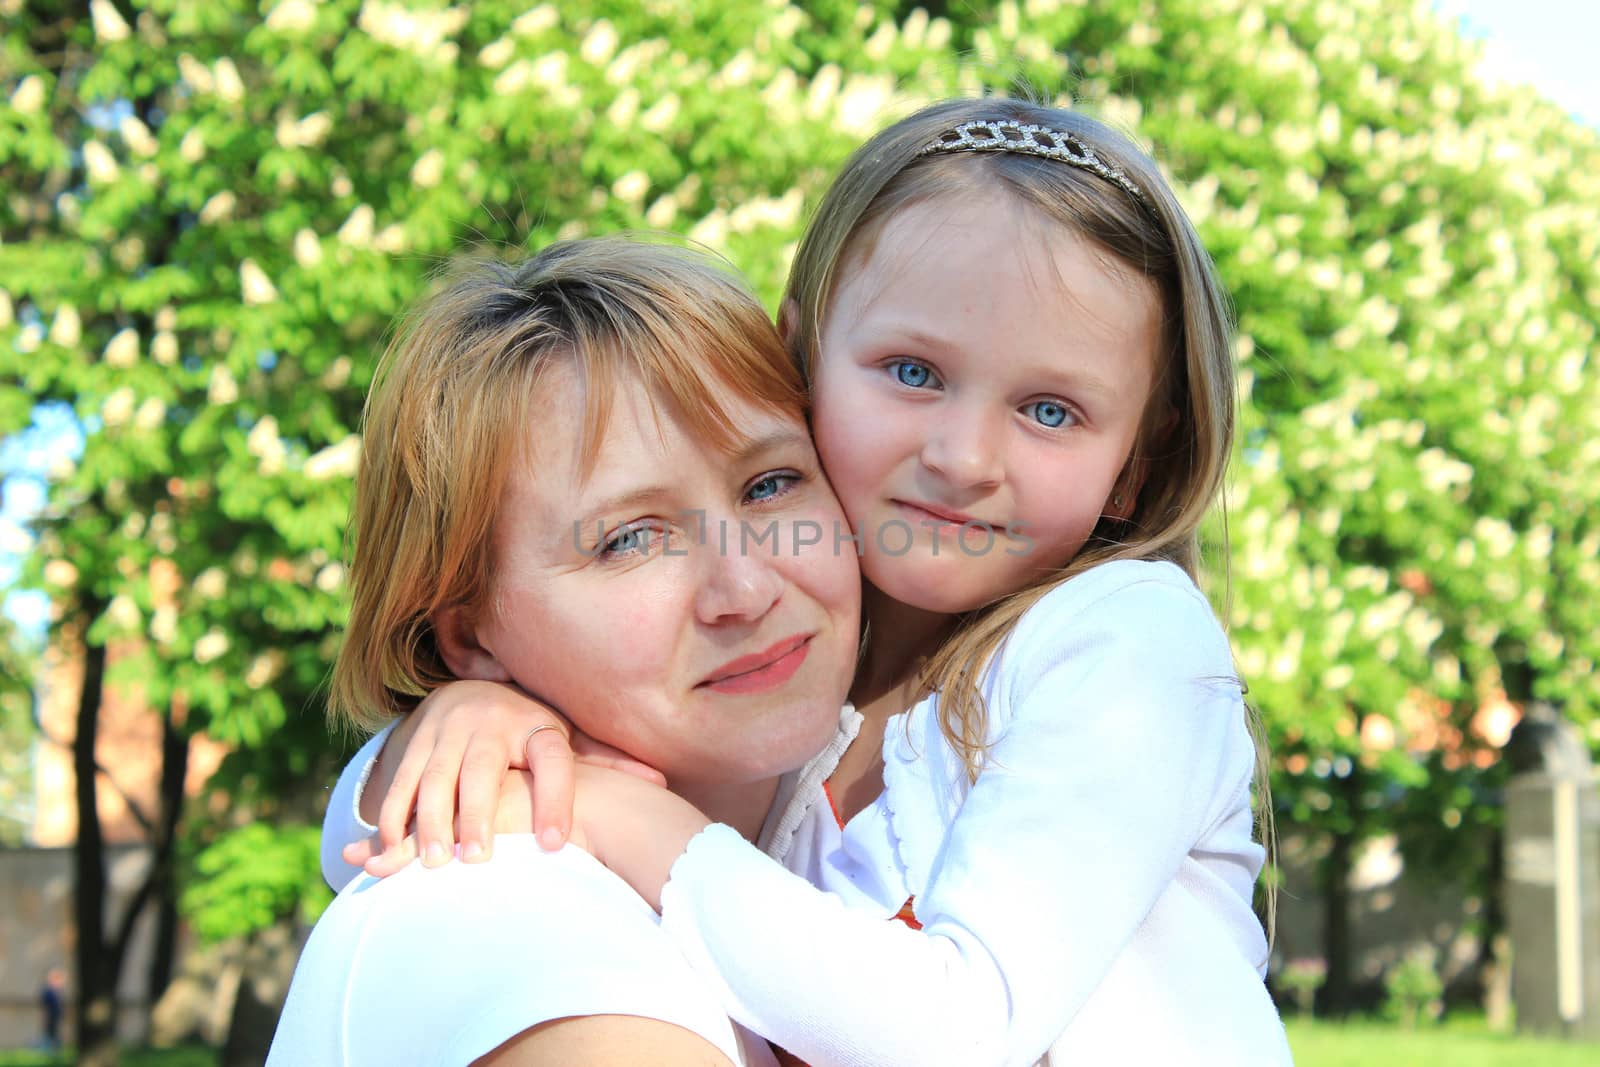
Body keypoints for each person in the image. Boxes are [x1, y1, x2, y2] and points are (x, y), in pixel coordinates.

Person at [335, 97, 1291, 1066]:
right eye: (913, 371)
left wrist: (604, 805)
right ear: (804, 359)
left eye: (1049, 408)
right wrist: (471, 725)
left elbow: (957, 1032)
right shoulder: (803, 669)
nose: (962, 457)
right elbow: (370, 844)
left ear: (1133, 460)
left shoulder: (1124, 641)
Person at [266, 237, 863, 1066]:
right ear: (472, 636)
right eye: (629, 539)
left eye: (770, 485)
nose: (748, 586)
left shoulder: (924, 783)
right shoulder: (508, 920)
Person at [38, 968, 65, 1053]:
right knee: (50, 1032)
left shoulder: (56, 991)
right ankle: (49, 1050)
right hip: (50, 1015)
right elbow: (44, 1004)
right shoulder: (48, 991)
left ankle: (54, 1049)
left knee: (55, 1032)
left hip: (55, 1015)